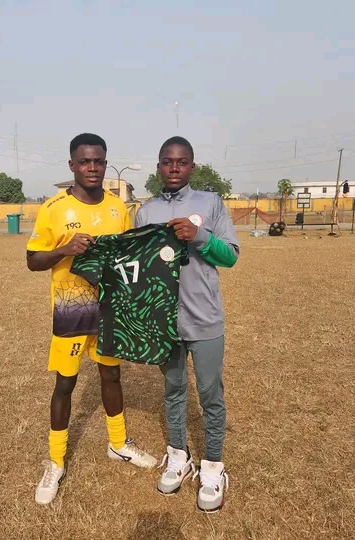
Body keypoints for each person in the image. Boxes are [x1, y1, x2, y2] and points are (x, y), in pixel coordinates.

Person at [26, 133, 156, 506]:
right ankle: (55, 462)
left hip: (110, 307)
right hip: (72, 308)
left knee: (111, 375)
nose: (93, 168)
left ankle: (118, 443)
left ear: (105, 164)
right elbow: (33, 260)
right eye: (85, 161)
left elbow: (129, 256)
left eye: (98, 161)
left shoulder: (117, 208)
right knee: (65, 384)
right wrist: (64, 249)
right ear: (72, 165)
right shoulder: (53, 208)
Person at [135, 136, 239, 513]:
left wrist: (200, 236)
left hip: (205, 318)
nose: (174, 168)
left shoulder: (210, 203)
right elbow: (138, 268)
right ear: (158, 167)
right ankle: (179, 456)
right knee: (174, 389)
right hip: (165, 323)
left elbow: (230, 256)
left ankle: (212, 467)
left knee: (210, 394)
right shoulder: (145, 212)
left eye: (181, 162)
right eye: (167, 162)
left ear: (192, 166)